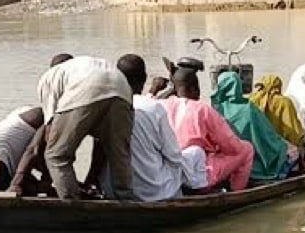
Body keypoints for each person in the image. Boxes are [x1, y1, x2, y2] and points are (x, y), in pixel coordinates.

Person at [100, 54, 200, 201]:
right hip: (153, 191)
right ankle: (203, 191)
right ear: (145, 77)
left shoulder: (107, 106)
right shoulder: (154, 108)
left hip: (112, 189)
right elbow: (174, 156)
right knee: (196, 153)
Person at [37, 54, 136, 200]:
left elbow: (50, 129)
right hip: (121, 87)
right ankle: (127, 200)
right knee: (119, 153)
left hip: (86, 87)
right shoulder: (83, 65)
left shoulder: (48, 77)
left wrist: (48, 177)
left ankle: (72, 204)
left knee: (57, 156)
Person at [161, 66, 255, 191]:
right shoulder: (202, 109)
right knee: (246, 149)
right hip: (196, 173)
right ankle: (236, 192)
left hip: (168, 169)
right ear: (194, 88)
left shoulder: (162, 105)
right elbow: (231, 146)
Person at [212, 71, 293, 181]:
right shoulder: (249, 108)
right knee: (287, 150)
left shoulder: (215, 110)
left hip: (225, 165)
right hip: (253, 165)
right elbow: (267, 135)